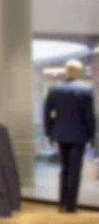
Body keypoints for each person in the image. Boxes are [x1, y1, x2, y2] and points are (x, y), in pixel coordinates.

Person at [43, 59, 96, 213]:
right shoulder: (85, 90)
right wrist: (92, 135)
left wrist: (50, 132)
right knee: (74, 170)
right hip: (79, 135)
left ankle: (62, 203)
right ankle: (71, 205)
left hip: (60, 133)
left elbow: (47, 113)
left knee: (64, 169)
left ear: (66, 71)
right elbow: (89, 116)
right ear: (77, 71)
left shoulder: (54, 90)